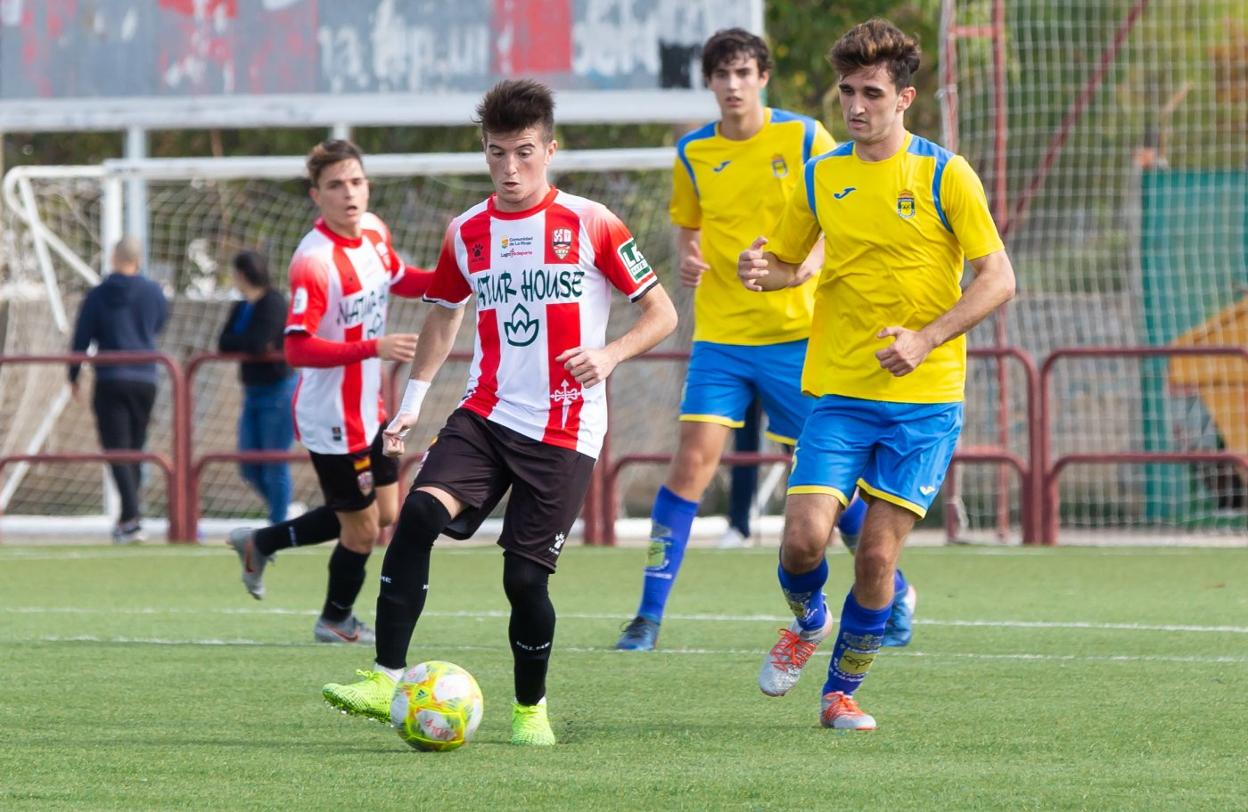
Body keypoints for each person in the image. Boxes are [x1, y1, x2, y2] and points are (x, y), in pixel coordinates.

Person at [320, 79, 678, 746]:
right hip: (485, 414)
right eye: (496, 155)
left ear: (549, 149)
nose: (510, 170)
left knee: (522, 578)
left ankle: (529, 711)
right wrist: (412, 404)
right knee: (419, 513)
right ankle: (384, 675)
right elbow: (443, 315)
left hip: (567, 429)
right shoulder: (468, 231)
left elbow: (662, 312)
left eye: (523, 153)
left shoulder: (593, 222)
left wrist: (610, 355)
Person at [738, 18, 1016, 730]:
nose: (854, 106)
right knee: (802, 537)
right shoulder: (821, 175)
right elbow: (791, 265)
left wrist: (926, 338)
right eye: (846, 91)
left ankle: (839, 696)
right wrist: (759, 272)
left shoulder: (944, 174)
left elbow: (997, 279)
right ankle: (807, 622)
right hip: (840, 391)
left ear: (905, 98)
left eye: (870, 93)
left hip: (925, 403)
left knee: (877, 561)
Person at [615, 28, 871, 652]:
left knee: (823, 480)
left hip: (795, 338)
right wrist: (687, 259)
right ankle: (647, 615)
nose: (732, 86)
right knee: (691, 464)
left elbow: (843, 205)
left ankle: (890, 590)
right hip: (722, 338)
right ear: (709, 83)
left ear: (763, 77)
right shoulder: (693, 152)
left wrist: (813, 260)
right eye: (721, 76)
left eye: (743, 74)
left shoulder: (806, 135)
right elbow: (687, 228)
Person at [226, 140, 433, 647]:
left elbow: (400, 277)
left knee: (384, 514)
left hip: (371, 407)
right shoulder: (313, 261)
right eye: (336, 185)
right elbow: (296, 349)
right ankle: (334, 619)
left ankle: (261, 541)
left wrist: (458, 277)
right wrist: (374, 346)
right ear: (316, 195)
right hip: (332, 418)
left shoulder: (376, 231)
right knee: (361, 530)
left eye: (356, 182)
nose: (350, 193)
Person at [68, 235, 169, 543]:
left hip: (112, 378)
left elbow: (82, 336)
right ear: (138, 259)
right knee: (134, 449)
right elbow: (160, 322)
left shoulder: (99, 294)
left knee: (117, 450)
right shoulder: (154, 293)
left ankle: (132, 517)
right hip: (146, 377)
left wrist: (73, 374)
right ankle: (129, 518)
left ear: (114, 257)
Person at [217, 250, 297, 525]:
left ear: (242, 273)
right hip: (252, 391)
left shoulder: (274, 302)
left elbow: (257, 341)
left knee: (275, 462)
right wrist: (250, 342)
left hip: (278, 389)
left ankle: (279, 522)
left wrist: (252, 343)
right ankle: (283, 511)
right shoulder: (241, 306)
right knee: (248, 464)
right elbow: (225, 342)